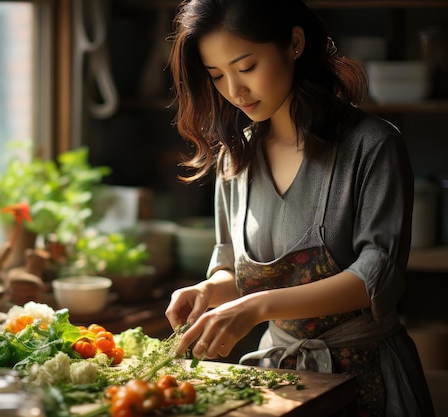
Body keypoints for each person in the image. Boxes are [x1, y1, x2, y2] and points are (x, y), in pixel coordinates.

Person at [163, 1, 435, 416]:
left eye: (246, 66)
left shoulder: (372, 146)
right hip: (281, 382)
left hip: (370, 376)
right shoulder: (235, 158)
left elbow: (376, 277)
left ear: (294, 43)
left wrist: (257, 306)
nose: (234, 90)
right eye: (217, 75)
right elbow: (236, 271)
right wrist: (209, 291)